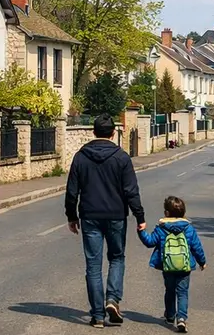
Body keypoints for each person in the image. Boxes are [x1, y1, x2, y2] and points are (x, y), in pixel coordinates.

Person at [65, 114, 146, 328]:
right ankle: (112, 299)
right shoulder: (121, 157)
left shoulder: (80, 157)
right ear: (113, 133)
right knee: (117, 258)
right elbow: (131, 191)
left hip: (90, 216)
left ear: (93, 132)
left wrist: (71, 216)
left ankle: (98, 315)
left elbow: (72, 191)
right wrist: (140, 216)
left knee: (93, 264)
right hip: (116, 216)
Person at [138, 196, 207, 333]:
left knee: (169, 291)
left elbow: (150, 242)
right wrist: (202, 262)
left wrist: (140, 231)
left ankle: (170, 316)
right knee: (182, 293)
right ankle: (181, 319)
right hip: (184, 266)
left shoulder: (161, 229)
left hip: (167, 266)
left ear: (167, 213)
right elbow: (196, 247)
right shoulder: (188, 229)